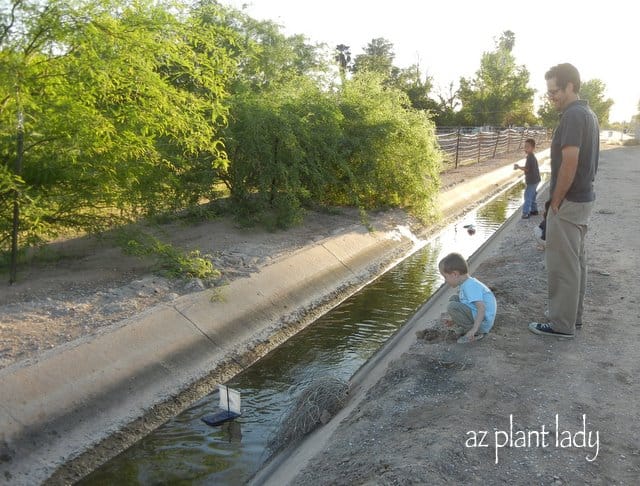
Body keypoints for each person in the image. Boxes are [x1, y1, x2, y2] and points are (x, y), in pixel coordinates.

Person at [529, 63, 599, 339]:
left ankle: (561, 324)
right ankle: (573, 318)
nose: (551, 97)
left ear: (571, 86)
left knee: (562, 265)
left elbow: (570, 162)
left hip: (569, 202)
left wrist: (554, 201)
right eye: (548, 93)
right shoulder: (588, 113)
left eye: (554, 91)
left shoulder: (572, 116)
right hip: (584, 199)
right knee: (576, 263)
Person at [438, 252, 497, 343]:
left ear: (454, 274)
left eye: (445, 277)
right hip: (479, 316)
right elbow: (467, 303)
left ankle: (475, 333)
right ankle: (465, 326)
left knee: (452, 306)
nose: (445, 281)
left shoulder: (470, 286)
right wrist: (454, 320)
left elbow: (481, 308)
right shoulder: (466, 283)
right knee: (454, 298)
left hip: (483, 323)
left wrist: (474, 329)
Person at [513, 138, 541, 219]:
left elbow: (527, 169)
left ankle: (526, 213)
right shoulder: (530, 156)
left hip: (532, 181)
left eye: (528, 146)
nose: (526, 148)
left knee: (527, 196)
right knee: (532, 195)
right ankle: (534, 210)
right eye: (525, 146)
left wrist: (518, 167)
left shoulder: (530, 157)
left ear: (532, 148)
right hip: (536, 179)